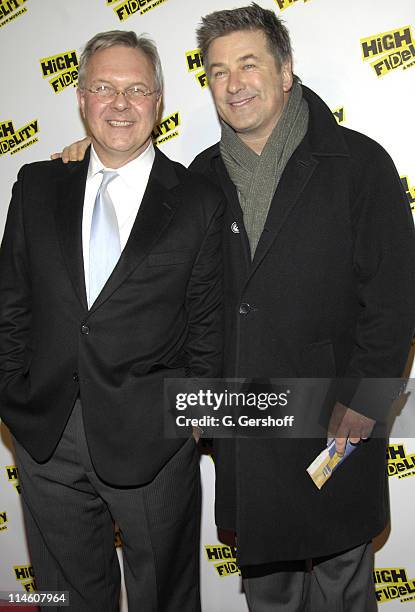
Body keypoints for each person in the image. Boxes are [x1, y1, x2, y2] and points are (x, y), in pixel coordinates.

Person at [51, 5, 415, 611]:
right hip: (246, 424)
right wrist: (83, 163)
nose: (235, 83)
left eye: (249, 64)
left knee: (343, 584)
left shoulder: (360, 164)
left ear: (286, 69)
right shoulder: (201, 178)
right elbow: (158, 257)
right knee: (269, 593)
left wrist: (369, 404)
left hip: (335, 422)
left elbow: (396, 296)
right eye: (218, 71)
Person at [0, 30, 223, 612]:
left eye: (135, 89)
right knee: (64, 597)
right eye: (103, 87)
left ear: (158, 101)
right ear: (80, 99)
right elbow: (10, 303)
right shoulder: (36, 185)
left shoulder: (198, 199)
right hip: (45, 435)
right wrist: (10, 393)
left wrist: (192, 425)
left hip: (154, 442)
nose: (119, 103)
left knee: (166, 596)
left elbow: (208, 326)